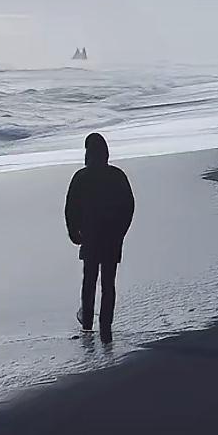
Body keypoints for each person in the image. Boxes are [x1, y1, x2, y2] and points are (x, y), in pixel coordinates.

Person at [64, 132, 135, 342]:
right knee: (108, 283)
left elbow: (70, 208)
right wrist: (121, 232)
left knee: (89, 281)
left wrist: (73, 232)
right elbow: (129, 206)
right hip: (112, 237)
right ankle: (106, 325)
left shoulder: (81, 176)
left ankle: (87, 324)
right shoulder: (117, 175)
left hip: (91, 236)